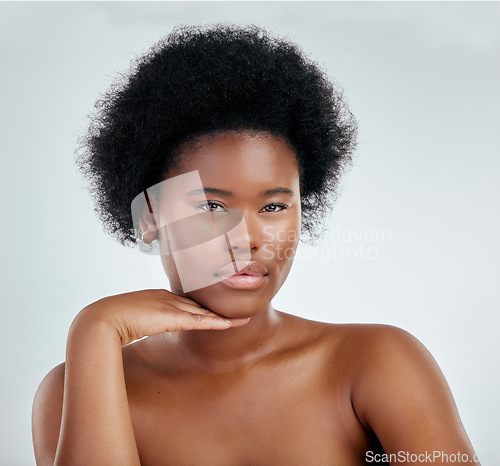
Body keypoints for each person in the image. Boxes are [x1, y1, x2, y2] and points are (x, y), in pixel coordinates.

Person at [32, 25, 479, 465]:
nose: (247, 239)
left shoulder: (374, 364)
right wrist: (93, 330)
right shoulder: (80, 388)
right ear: (149, 218)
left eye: (273, 208)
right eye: (211, 206)